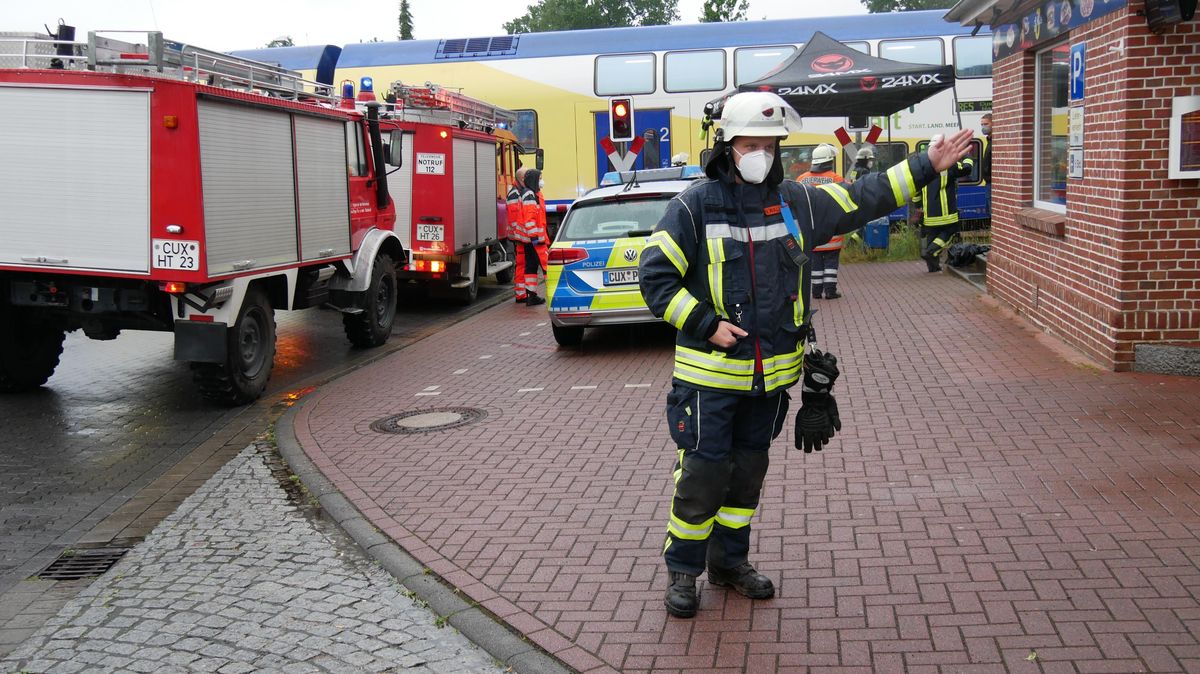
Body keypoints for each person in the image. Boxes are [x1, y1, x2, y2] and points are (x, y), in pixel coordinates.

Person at [638, 91, 973, 619]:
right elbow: (655, 278)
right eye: (752, 144)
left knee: (747, 477)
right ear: (728, 145)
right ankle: (684, 571)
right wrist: (705, 323)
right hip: (708, 381)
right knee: (702, 477)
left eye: (770, 145)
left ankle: (729, 564)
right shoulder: (694, 207)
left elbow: (867, 195)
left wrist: (926, 164)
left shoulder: (797, 201)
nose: (762, 155)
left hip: (771, 382)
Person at [913, 134, 975, 273]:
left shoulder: (922, 167)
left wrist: (918, 209)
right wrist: (967, 157)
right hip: (946, 213)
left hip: (928, 215)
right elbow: (966, 169)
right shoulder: (949, 165)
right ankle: (931, 251)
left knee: (932, 237)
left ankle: (933, 268)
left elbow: (916, 194)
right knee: (949, 231)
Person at [796, 144, 846, 299]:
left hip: (811, 231)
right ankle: (830, 291)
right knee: (831, 261)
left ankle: (816, 291)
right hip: (833, 231)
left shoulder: (801, 179)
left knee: (815, 262)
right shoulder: (836, 179)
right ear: (830, 161)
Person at [518, 168, 550, 306]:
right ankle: (554, 293)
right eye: (540, 178)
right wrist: (534, 237)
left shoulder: (530, 193)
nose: (541, 181)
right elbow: (530, 218)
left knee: (531, 266)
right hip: (536, 239)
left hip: (531, 239)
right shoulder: (530, 195)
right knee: (547, 266)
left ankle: (531, 295)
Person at [509, 167, 532, 303]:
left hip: (521, 236)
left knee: (523, 264)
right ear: (522, 179)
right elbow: (514, 219)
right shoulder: (514, 194)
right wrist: (522, 236)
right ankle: (520, 294)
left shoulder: (519, 192)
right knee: (522, 265)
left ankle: (522, 292)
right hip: (520, 237)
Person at [980, 113, 992, 185]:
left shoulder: (995, 141)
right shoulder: (989, 140)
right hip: (988, 182)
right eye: (982, 125)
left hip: (991, 182)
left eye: (986, 124)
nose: (983, 127)